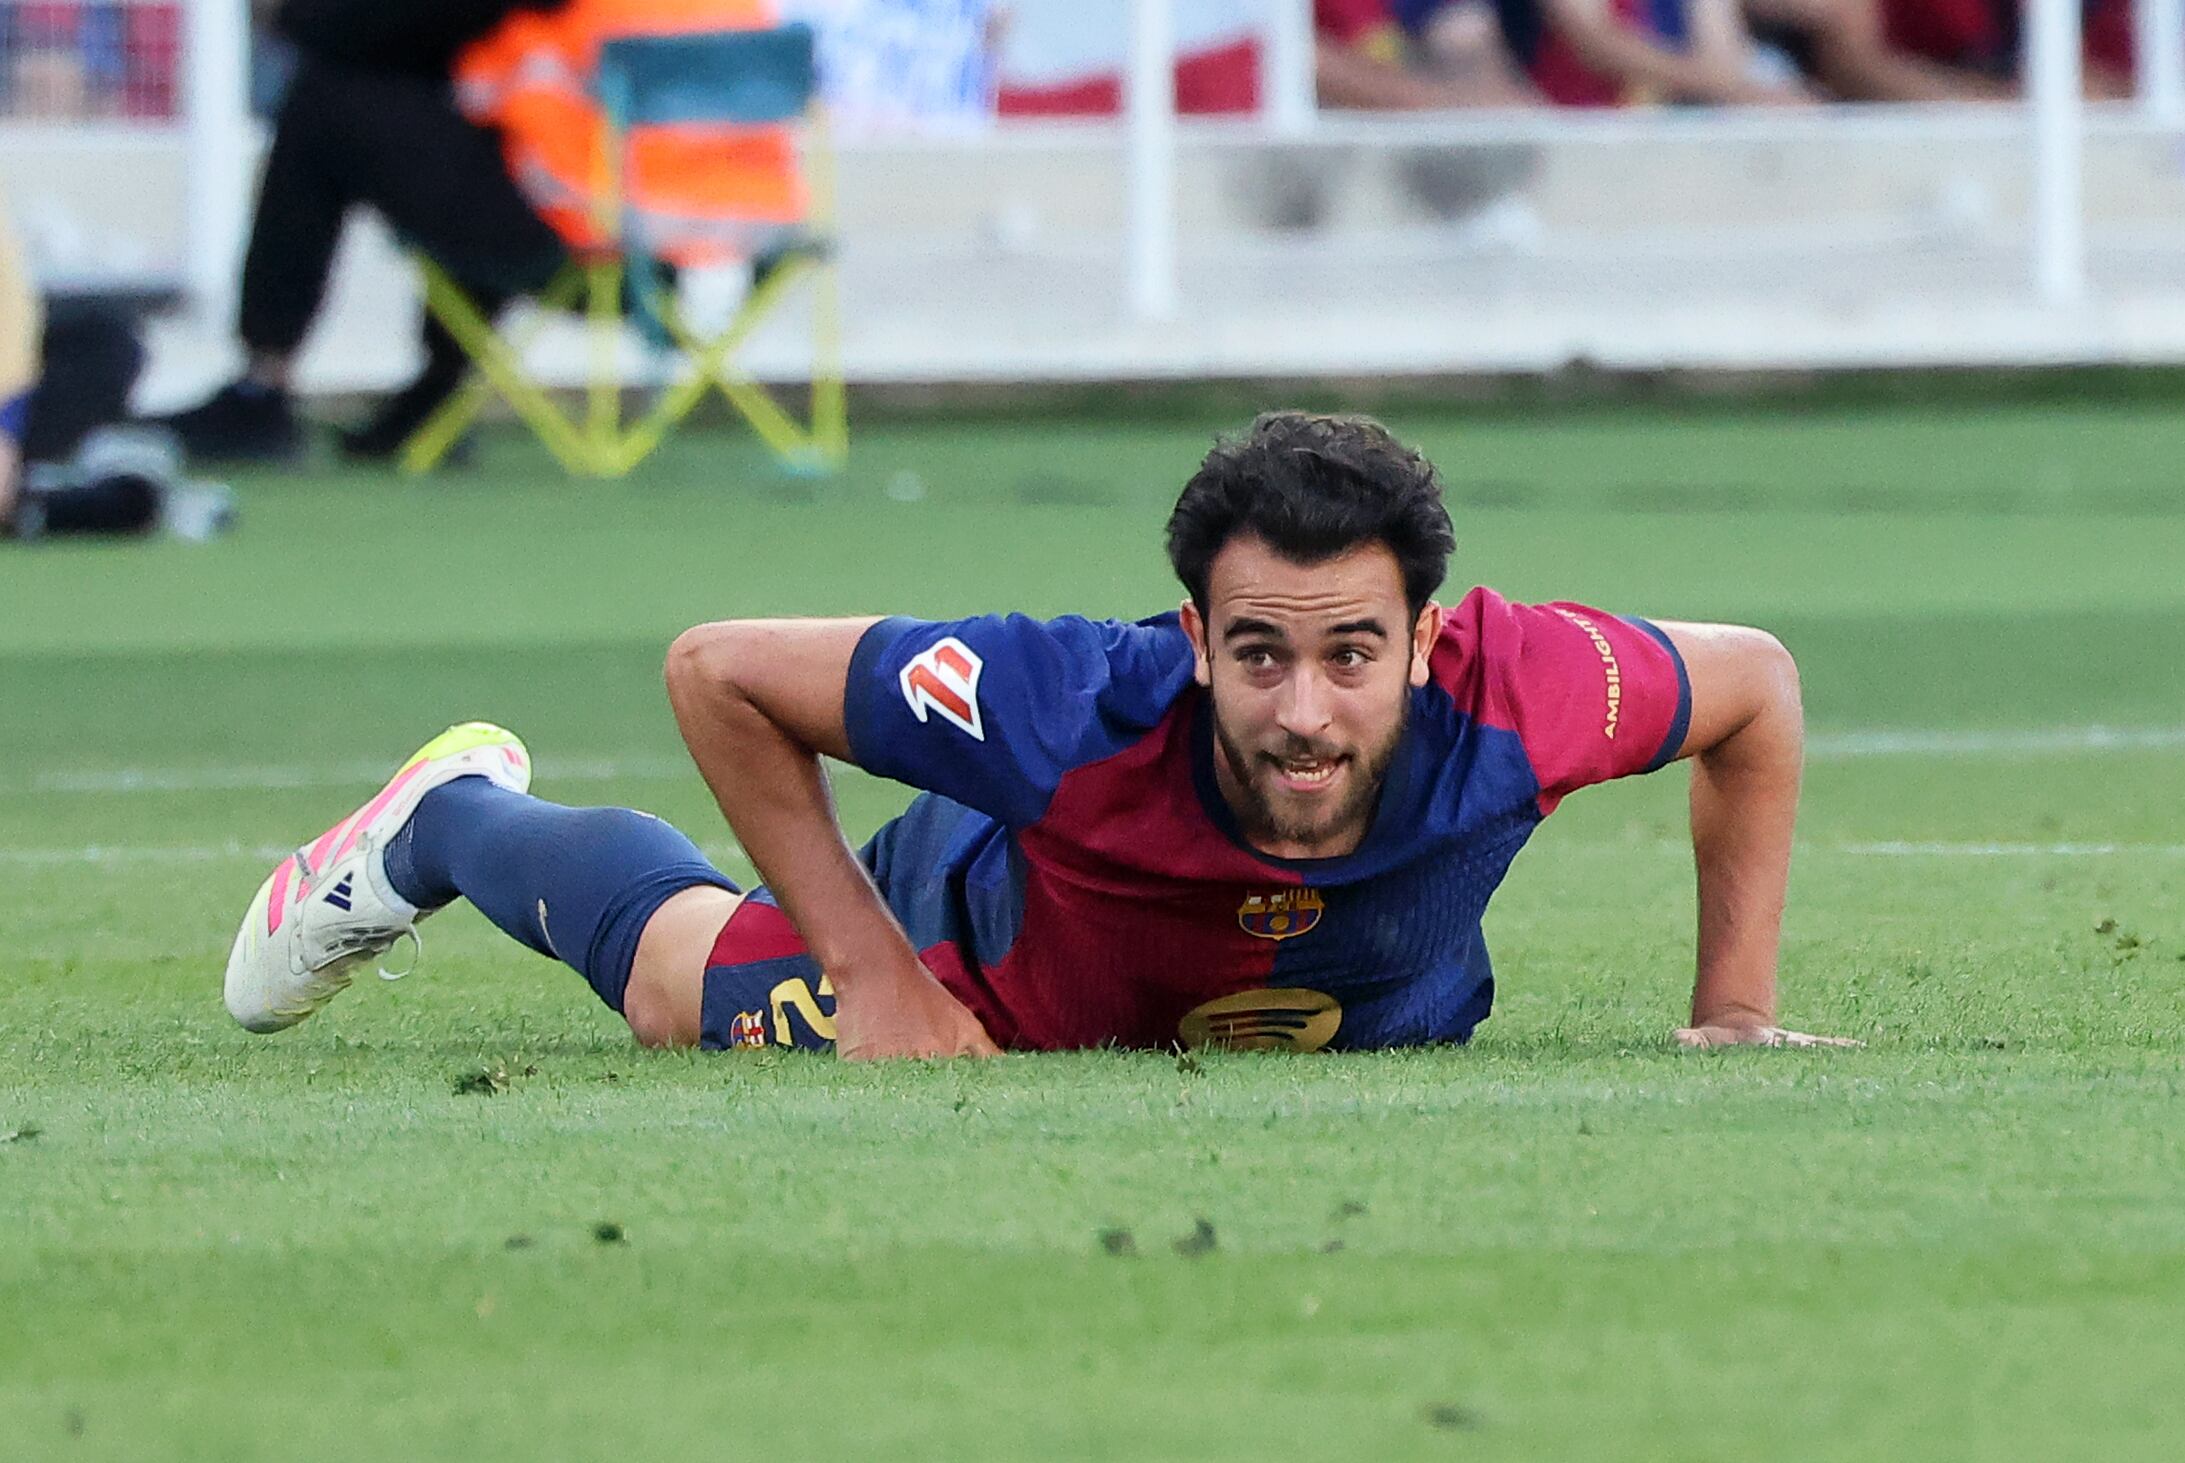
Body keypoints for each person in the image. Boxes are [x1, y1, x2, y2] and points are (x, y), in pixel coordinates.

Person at [223, 412, 1854, 1057]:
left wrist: (1734, 1010)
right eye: (1259, 653)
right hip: (981, 960)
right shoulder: (1062, 701)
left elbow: (1758, 688)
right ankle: (444, 819)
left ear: (1428, 642)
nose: (1304, 709)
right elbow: (720, 670)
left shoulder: (1530, 691)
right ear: (1192, 638)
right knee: (671, 989)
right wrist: (874, 975)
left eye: (1354, 654)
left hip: (1332, 1011)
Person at [147, 0, 573, 464]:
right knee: (443, 115)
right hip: (618, 234)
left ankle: (263, 384)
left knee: (323, 104)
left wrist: (297, 14)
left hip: (572, 226)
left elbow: (390, 26)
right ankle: (435, 392)